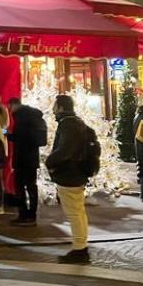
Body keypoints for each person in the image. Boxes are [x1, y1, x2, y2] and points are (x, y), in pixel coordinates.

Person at [46, 94, 100, 264]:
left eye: (55, 105)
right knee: (77, 211)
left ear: (61, 107)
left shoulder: (68, 124)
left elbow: (65, 150)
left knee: (74, 212)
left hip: (70, 174)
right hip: (76, 173)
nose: (53, 109)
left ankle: (79, 249)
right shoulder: (76, 122)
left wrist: (50, 161)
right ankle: (80, 246)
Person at [7, 96, 47, 225]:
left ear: (13, 105)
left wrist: (5, 133)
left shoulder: (21, 117)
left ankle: (23, 215)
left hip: (21, 158)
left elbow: (19, 138)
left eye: (9, 107)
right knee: (31, 186)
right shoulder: (34, 116)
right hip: (32, 158)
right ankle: (32, 215)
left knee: (20, 187)